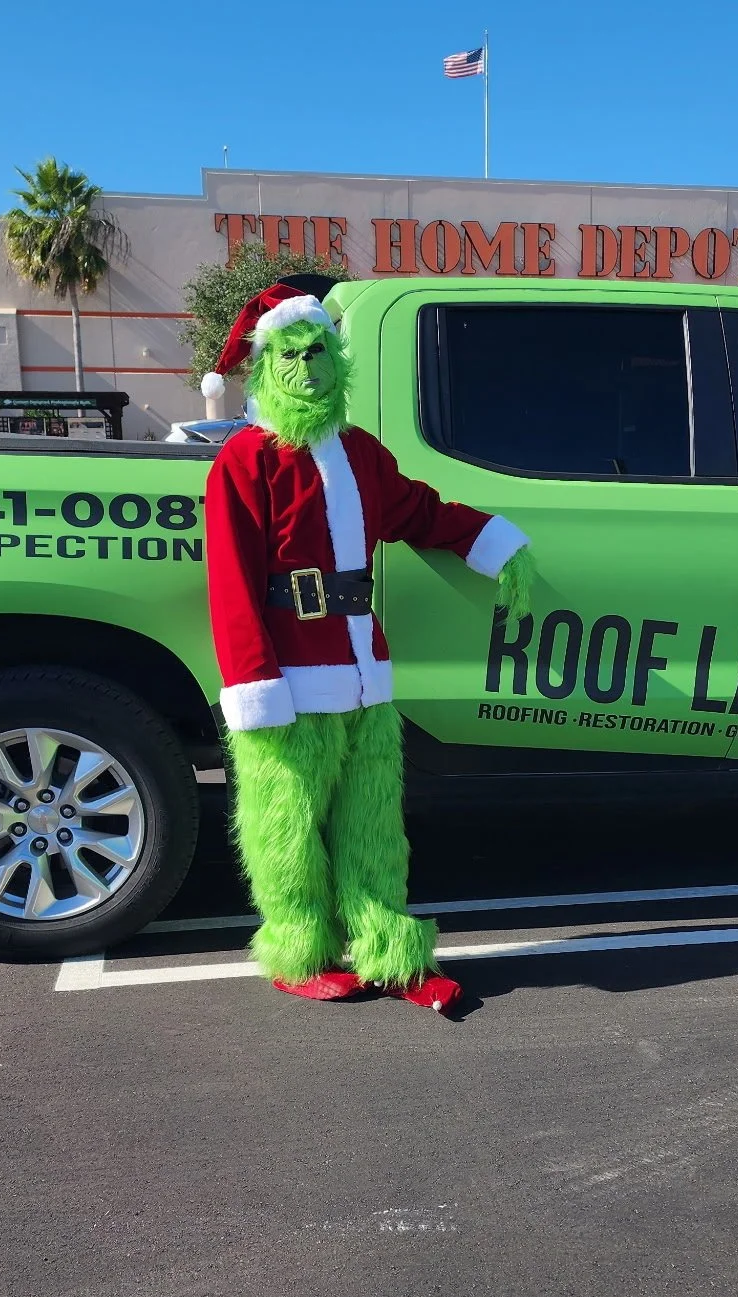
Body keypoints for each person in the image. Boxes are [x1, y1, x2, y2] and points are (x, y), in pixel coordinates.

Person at [202, 282, 536, 1012]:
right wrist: (256, 687)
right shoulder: (245, 464)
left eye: (318, 350)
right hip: (290, 679)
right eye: (291, 354)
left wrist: (494, 544)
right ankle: (298, 950)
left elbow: (419, 511)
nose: (308, 367)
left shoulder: (359, 453)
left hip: (364, 676)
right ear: (265, 367)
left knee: (373, 825)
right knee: (286, 825)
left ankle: (392, 952)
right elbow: (230, 585)